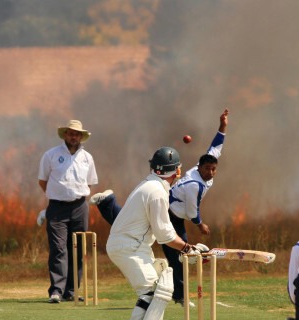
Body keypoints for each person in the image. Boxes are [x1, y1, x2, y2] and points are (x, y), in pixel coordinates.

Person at [91, 108, 229, 305]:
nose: (212, 171)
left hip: (156, 221)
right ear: (183, 169)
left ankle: (107, 204)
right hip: (172, 212)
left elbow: (215, 148)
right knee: (173, 256)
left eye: (214, 168)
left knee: (141, 226)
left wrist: (222, 127)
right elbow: (191, 213)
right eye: (208, 168)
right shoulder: (191, 186)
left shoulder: (157, 182)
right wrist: (191, 240)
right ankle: (179, 296)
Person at [106, 147, 206, 320]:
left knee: (161, 290)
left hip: (134, 245)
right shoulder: (157, 192)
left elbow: (163, 232)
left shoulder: (151, 185)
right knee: (151, 293)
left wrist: (188, 248)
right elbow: (165, 235)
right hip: (128, 247)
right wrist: (189, 248)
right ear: (176, 171)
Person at [38, 119, 98, 303]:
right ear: (65, 135)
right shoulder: (51, 155)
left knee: (78, 249)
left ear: (81, 137)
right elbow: (43, 181)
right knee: (58, 249)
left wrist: (76, 197)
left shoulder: (87, 158)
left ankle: (71, 291)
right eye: (71, 133)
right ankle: (56, 290)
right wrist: (58, 195)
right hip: (57, 208)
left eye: (77, 134)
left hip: (80, 207)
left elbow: (89, 183)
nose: (74, 136)